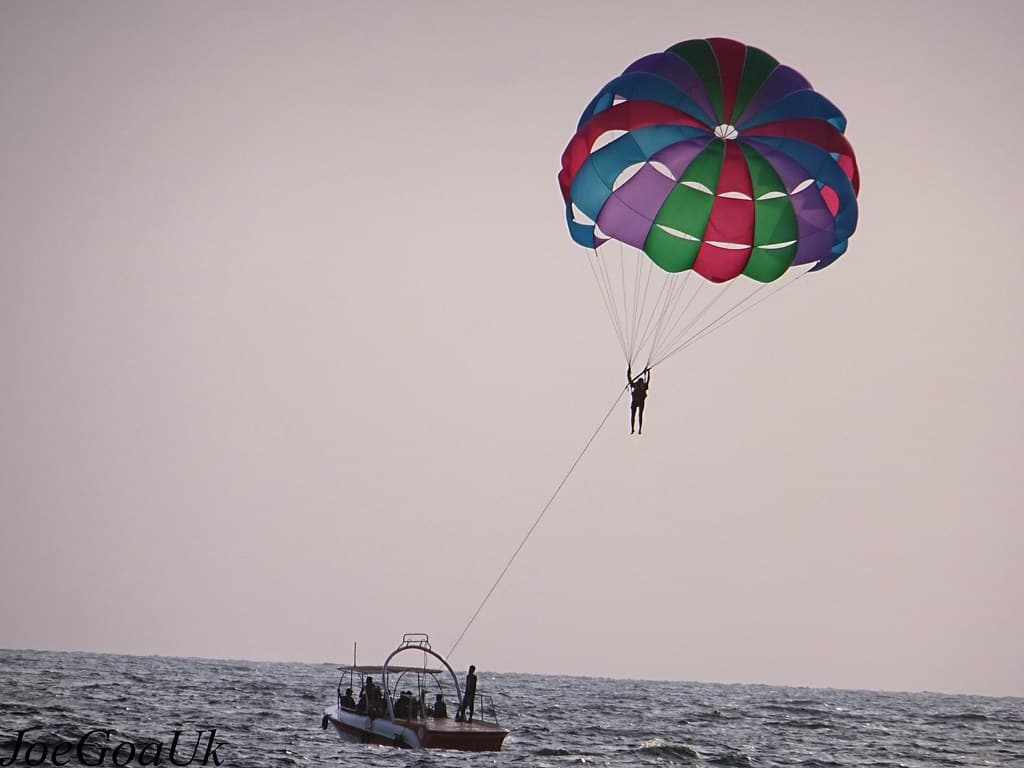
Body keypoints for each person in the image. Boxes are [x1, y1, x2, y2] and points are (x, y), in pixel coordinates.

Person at [627, 366, 651, 435]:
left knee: (635, 415)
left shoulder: (637, 385)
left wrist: (628, 372)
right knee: (638, 415)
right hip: (639, 401)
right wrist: (648, 372)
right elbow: (648, 380)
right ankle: (636, 429)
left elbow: (629, 379)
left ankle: (635, 429)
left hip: (637, 401)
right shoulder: (641, 385)